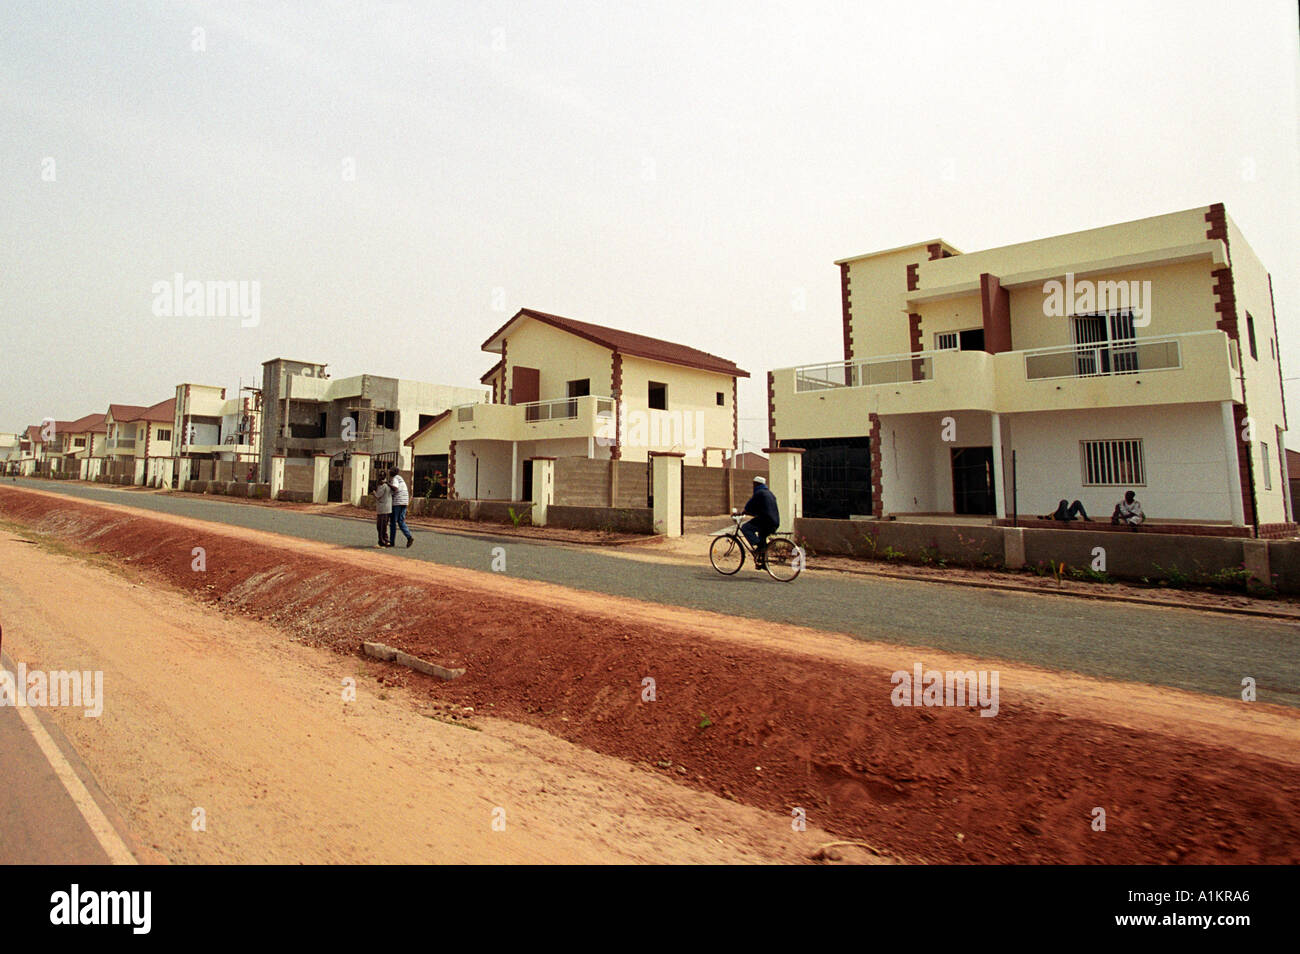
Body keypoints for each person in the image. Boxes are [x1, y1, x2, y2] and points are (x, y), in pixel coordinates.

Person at [739, 476, 779, 567]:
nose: (753, 486)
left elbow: (750, 505)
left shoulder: (759, 493)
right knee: (762, 537)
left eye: (753, 484)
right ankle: (763, 563)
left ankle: (759, 546)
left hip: (766, 521)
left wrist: (744, 512)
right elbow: (763, 509)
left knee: (745, 528)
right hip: (774, 522)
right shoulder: (769, 493)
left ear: (756, 484)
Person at [388, 468, 414, 548]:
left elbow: (395, 488)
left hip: (398, 502)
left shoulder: (395, 479)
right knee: (401, 521)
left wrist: (387, 484)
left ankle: (392, 542)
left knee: (393, 522)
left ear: (393, 473)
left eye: (390, 471)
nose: (389, 472)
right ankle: (409, 537)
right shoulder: (401, 479)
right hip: (404, 501)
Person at [373, 472, 392, 547]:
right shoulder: (388, 485)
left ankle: (382, 542)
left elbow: (378, 496)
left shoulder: (382, 486)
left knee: (380, 526)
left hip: (383, 509)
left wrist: (373, 492)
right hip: (387, 508)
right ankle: (386, 541)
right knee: (384, 526)